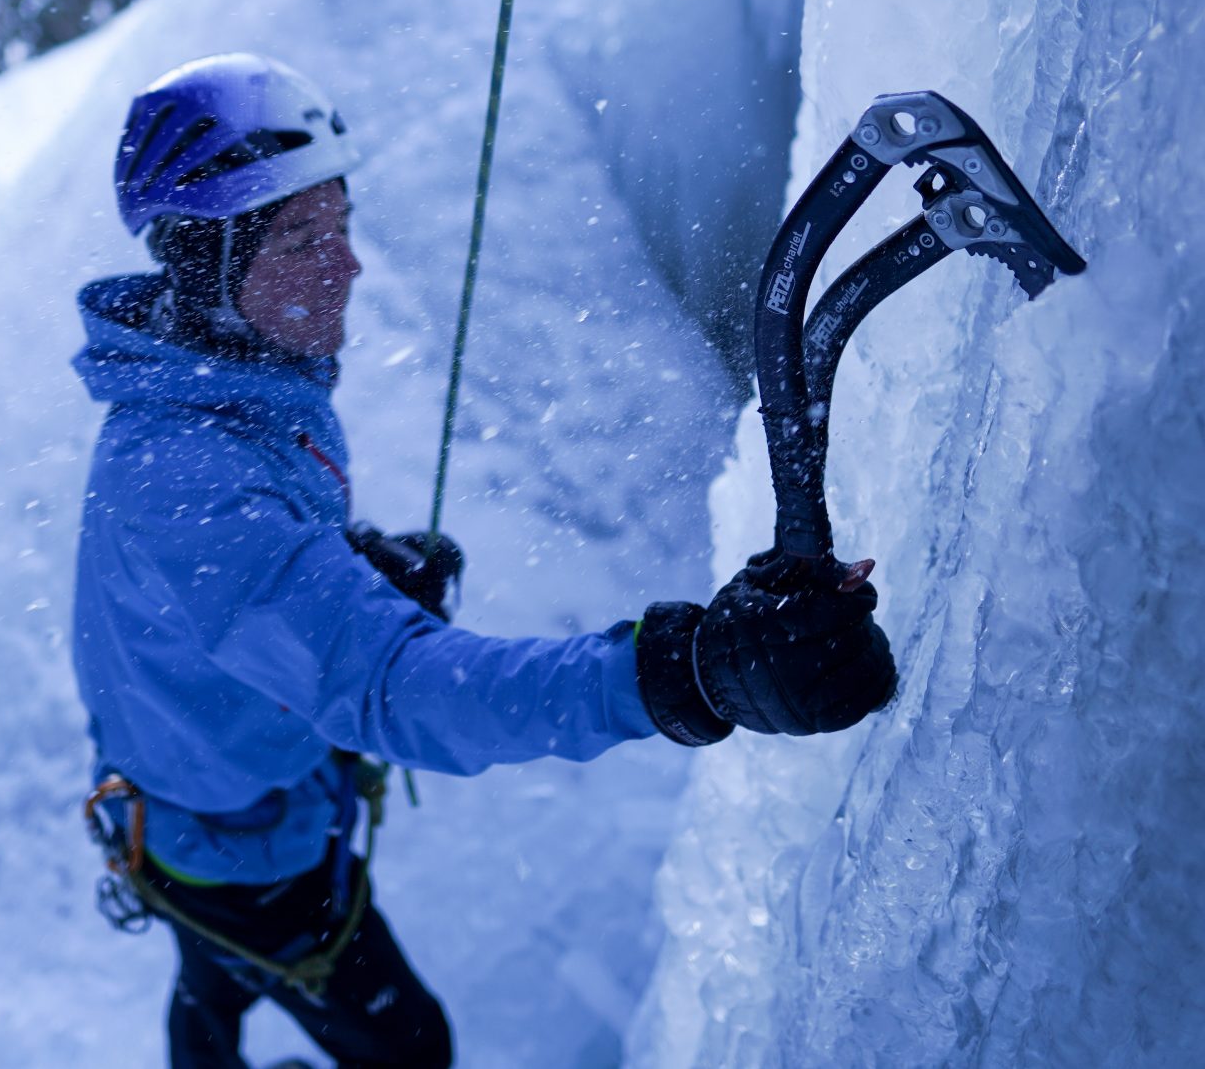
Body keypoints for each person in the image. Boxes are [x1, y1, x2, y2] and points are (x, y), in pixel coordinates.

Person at [69, 54, 897, 1069]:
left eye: (341, 224)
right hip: (245, 847)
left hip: (192, 802)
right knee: (409, 1046)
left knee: (210, 990)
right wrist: (681, 672)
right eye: (300, 238)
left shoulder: (218, 390)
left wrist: (346, 567)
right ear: (205, 264)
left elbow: (238, 580)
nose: (349, 265)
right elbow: (397, 687)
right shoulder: (190, 478)